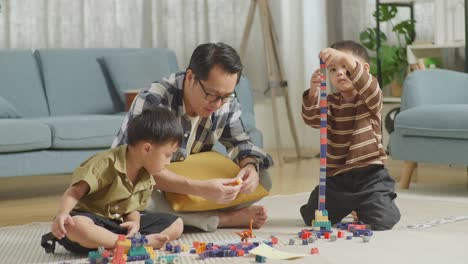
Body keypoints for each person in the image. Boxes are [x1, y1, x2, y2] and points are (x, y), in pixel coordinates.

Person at [112, 42, 273, 232]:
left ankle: (193, 214)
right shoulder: (154, 100)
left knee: (263, 179)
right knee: (141, 200)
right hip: (150, 181)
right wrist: (200, 189)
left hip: (188, 176)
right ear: (190, 77)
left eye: (226, 96)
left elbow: (240, 142)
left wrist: (249, 168)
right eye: (212, 95)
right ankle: (220, 219)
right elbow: (137, 168)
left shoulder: (225, 102)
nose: (218, 104)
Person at [41, 107, 184, 254]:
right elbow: (75, 191)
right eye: (168, 155)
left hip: (115, 227)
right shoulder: (105, 162)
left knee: (177, 224)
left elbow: (132, 209)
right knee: (74, 225)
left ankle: (126, 243)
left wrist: (134, 222)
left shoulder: (146, 177)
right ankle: (131, 244)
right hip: (89, 220)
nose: (169, 162)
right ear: (147, 149)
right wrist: (62, 213)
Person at [300, 40, 400, 230]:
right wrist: (313, 92)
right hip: (337, 178)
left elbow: (369, 86)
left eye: (345, 67)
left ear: (363, 69)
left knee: (383, 220)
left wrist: (343, 57)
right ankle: (351, 205)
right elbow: (312, 119)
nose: (339, 72)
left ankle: (367, 205)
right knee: (311, 215)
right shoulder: (329, 103)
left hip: (370, 176)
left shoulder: (370, 98)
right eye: (333, 69)